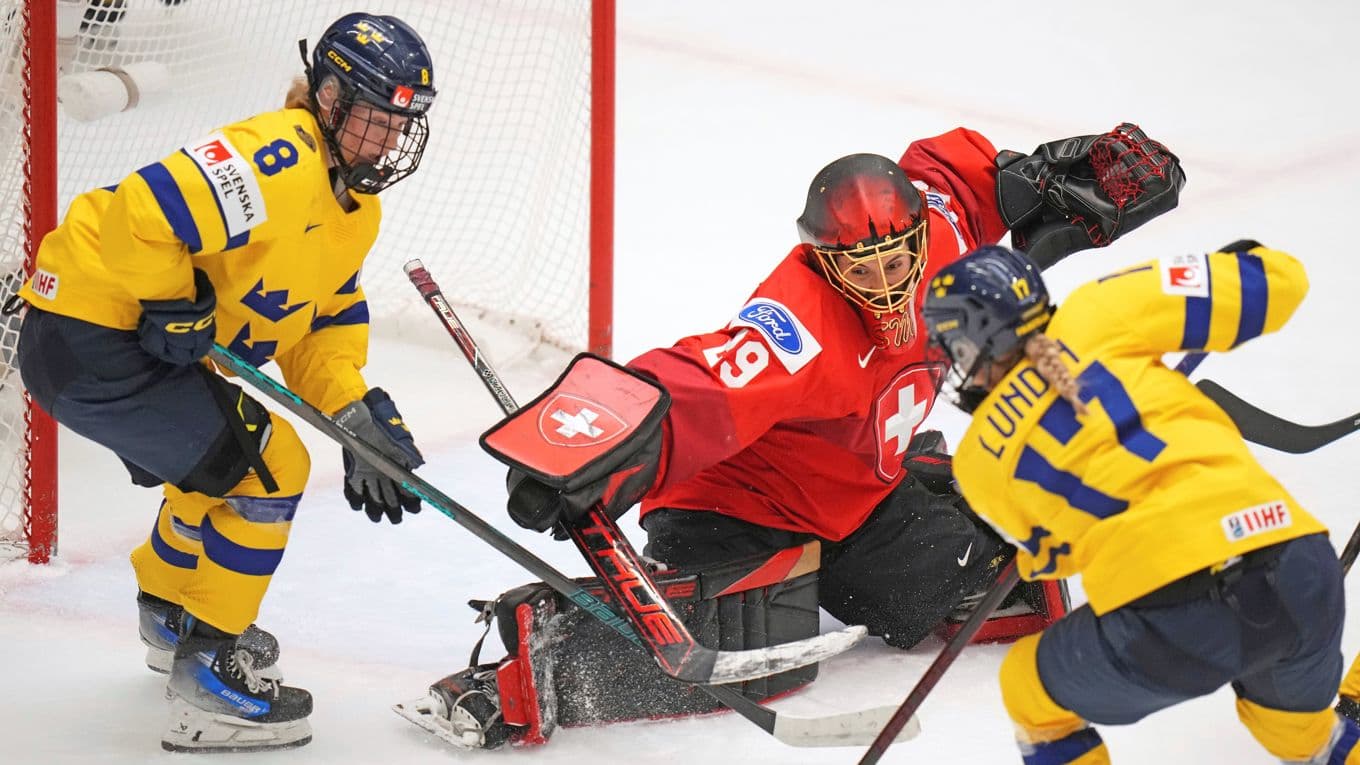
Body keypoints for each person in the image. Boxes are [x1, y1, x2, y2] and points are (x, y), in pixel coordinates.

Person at [397, 124, 1184, 749]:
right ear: (822, 257)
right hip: (741, 504)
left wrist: (1028, 178)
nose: (884, 284)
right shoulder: (798, 323)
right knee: (763, 649)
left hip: (853, 493)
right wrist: (600, 453)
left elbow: (945, 181)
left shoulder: (937, 239)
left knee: (956, 585)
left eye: (894, 258)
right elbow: (698, 383)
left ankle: (922, 481)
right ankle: (533, 662)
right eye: (857, 266)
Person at [9, 12, 435, 753]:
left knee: (221, 462)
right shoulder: (278, 156)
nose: (391, 141)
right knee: (271, 467)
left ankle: (172, 610)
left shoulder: (353, 209)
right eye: (377, 119)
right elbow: (143, 210)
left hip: (99, 343)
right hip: (88, 333)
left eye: (402, 126)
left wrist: (353, 409)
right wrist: (173, 298)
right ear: (328, 100)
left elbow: (320, 318)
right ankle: (210, 675)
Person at [920, 243, 1356, 764]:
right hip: (1299, 565)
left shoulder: (977, 462)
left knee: (1027, 687)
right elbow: (1281, 285)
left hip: (1174, 620)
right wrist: (1232, 268)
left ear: (971, 346)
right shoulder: (1099, 310)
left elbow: (1060, 555)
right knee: (1304, 740)